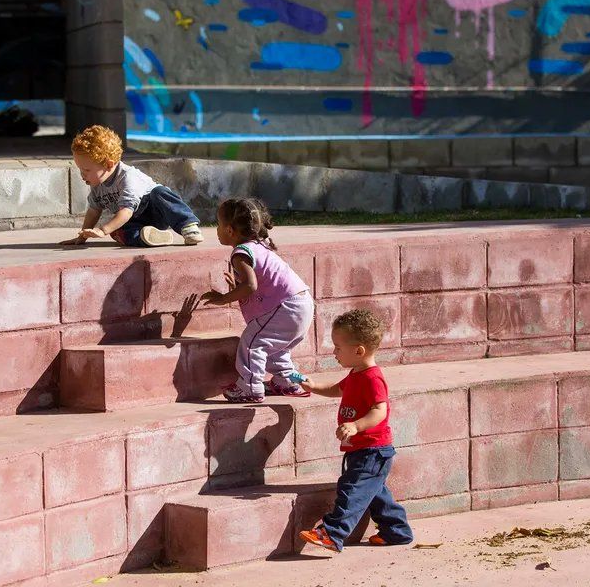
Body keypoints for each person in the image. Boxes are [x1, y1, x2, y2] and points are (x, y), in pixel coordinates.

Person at [297, 309, 414, 552]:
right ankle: (396, 531)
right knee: (374, 494)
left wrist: (355, 425)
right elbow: (336, 389)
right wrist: (313, 386)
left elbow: (379, 410)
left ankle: (332, 533)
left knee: (352, 491)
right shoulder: (355, 374)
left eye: (338, 347)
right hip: (362, 449)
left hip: (373, 450)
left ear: (358, 351)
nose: (334, 352)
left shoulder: (372, 378)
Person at [201, 198, 313, 403]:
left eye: (218, 224)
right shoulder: (260, 246)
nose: (216, 229)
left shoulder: (240, 253)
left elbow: (250, 285)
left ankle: (250, 387)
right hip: (302, 303)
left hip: (286, 306)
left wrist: (224, 298)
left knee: (253, 342)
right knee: (276, 347)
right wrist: (238, 287)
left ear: (230, 230)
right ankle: (286, 381)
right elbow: (257, 283)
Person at [60, 125, 204, 247]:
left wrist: (103, 230)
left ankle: (188, 226)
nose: (82, 175)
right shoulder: (97, 185)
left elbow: (126, 211)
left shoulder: (128, 177)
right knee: (117, 232)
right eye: (80, 170)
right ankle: (148, 237)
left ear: (108, 165)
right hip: (134, 221)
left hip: (155, 211)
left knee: (160, 193)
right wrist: (82, 236)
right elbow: (94, 211)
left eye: (86, 170)